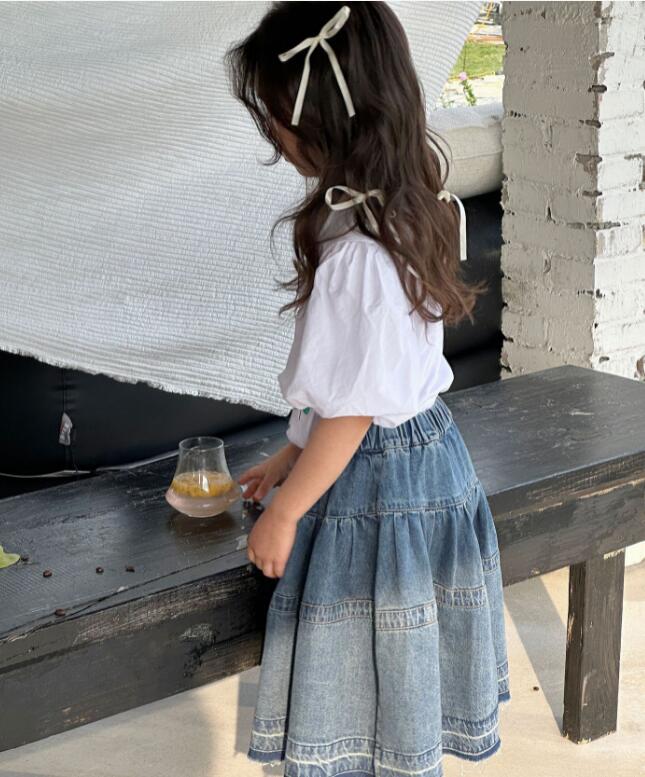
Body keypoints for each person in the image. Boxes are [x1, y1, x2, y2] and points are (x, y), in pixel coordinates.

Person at [227, 3, 511, 774]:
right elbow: (356, 377)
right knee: (395, 666)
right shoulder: (398, 209)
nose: (271, 131)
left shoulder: (358, 248)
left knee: (364, 664)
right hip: (423, 457)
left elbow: (351, 411)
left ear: (324, 116)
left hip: (379, 480)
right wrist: (289, 453)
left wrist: (285, 511)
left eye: (277, 113)